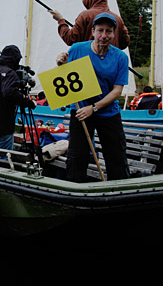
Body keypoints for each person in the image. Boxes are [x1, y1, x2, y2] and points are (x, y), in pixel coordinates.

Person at [56, 12, 130, 182]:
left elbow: (117, 91)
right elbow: (66, 75)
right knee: (77, 155)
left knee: (116, 156)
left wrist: (94, 108)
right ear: (93, 32)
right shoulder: (77, 49)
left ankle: (118, 191)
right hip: (81, 110)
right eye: (100, 30)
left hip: (108, 112)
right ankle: (74, 191)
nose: (104, 36)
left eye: (109, 31)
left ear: (113, 33)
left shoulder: (120, 57)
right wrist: (60, 63)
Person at [0, 45, 36, 150]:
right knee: (4, 159)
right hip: (1, 125)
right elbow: (9, 92)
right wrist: (29, 102)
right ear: (16, 59)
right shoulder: (9, 73)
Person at [49, 0, 130, 50]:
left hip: (88, 65)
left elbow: (70, 39)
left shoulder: (85, 15)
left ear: (90, 0)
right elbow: (125, 42)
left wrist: (61, 21)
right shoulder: (117, 18)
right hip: (111, 64)